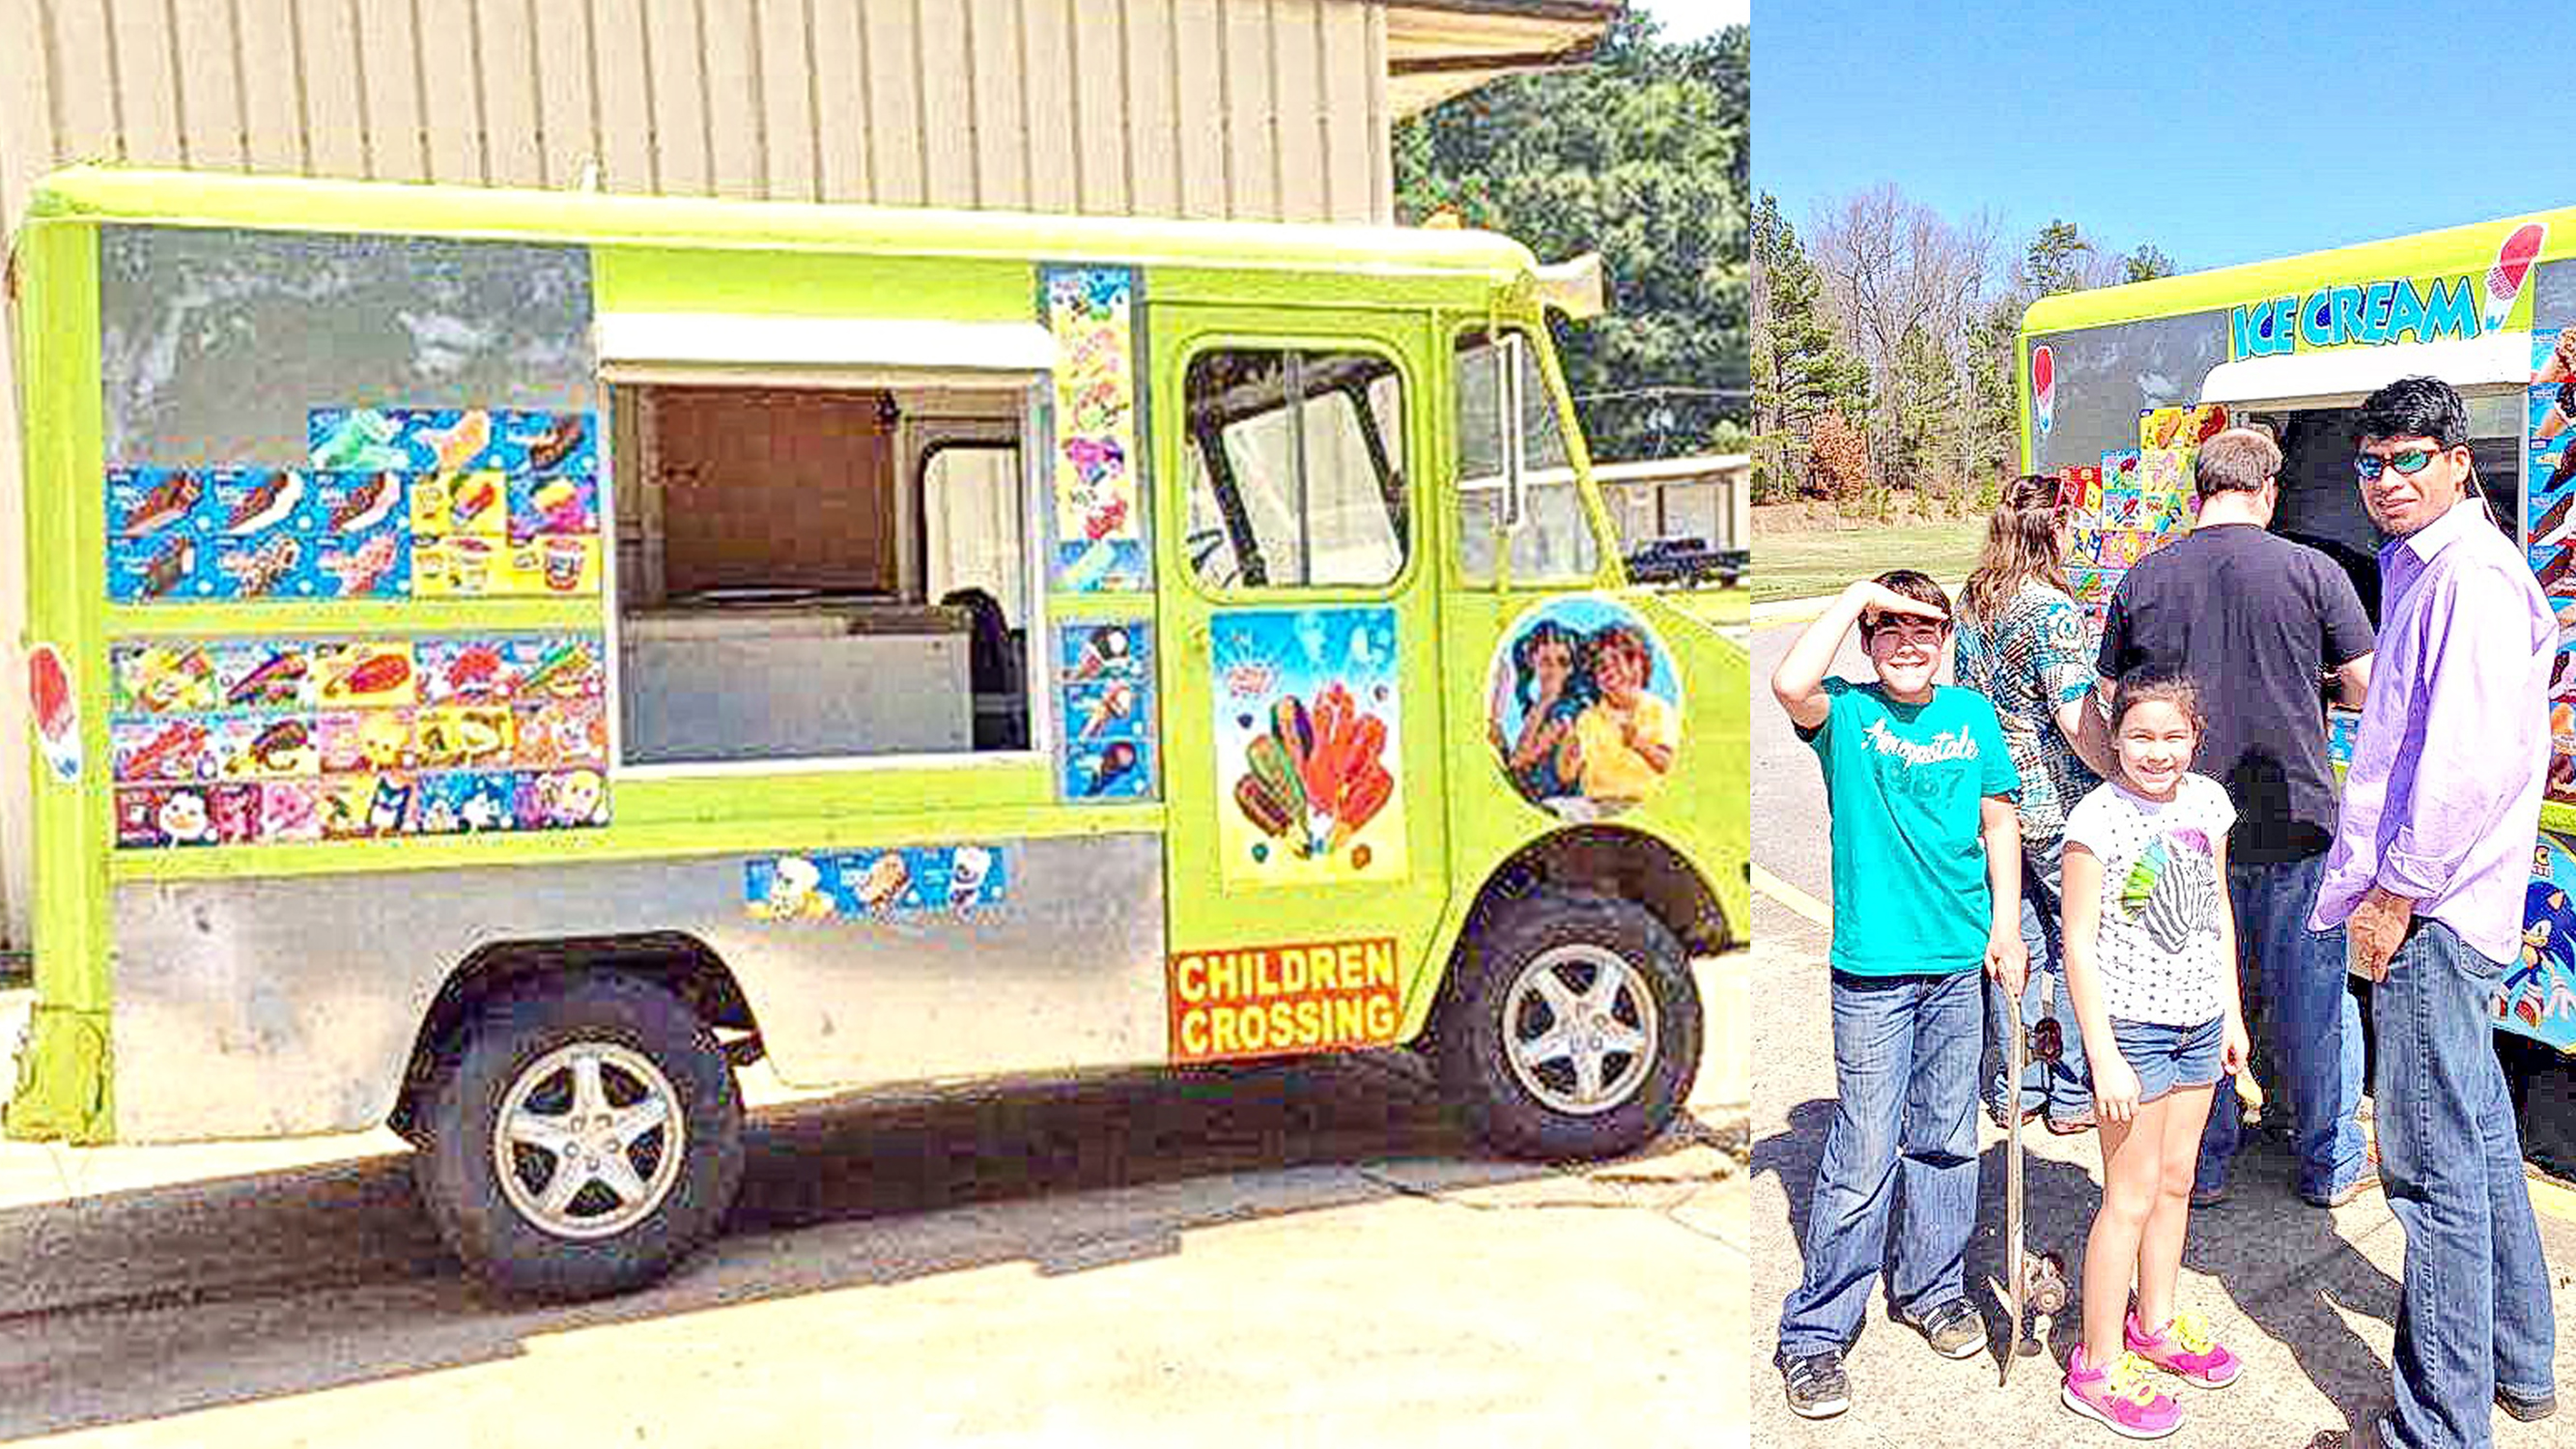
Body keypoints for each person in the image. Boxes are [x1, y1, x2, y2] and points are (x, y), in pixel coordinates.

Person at [2309, 376, 2559, 1449]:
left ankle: (2436, 1430)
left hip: (2431, 907)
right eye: (2370, 462)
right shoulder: (2439, 570)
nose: (2388, 480)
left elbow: (2461, 769)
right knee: (2481, 1132)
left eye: (2410, 457)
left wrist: (2393, 898)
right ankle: (2519, 1363)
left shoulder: (2467, 578)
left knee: (2429, 1170)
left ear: (2460, 459)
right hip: (2449, 902)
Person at [2091, 426, 2376, 1208]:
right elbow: (2365, 685)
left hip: (2179, 830)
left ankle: (2206, 1166)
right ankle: (2328, 1163)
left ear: (2198, 490)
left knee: (2198, 995)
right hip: (2296, 821)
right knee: (2313, 999)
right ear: (2269, 489)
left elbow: (2110, 699)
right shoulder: (2312, 571)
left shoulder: (2145, 577)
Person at [1770, 569, 2024, 1421]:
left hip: (1958, 961)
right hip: (1874, 968)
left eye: (1925, 633)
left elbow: (1998, 824)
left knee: (1948, 1139)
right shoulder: (1844, 713)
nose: (1908, 647)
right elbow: (1788, 683)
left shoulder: (1970, 716)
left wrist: (2006, 930)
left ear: (1946, 642)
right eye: (1889, 632)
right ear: (1869, 643)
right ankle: (1814, 1334)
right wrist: (1849, 596)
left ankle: (1931, 1287)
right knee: (1864, 1151)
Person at [2055, 670, 2248, 1437]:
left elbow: (2216, 909)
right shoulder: (2095, 819)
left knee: (2174, 1182)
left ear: (2195, 739)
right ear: (2115, 737)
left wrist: (2231, 1013)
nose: (2156, 752)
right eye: (2139, 735)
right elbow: (2074, 942)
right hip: (2131, 1031)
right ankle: (2095, 1365)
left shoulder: (2209, 802)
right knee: (2127, 1198)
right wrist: (2101, 1055)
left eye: (2172, 737)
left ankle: (2154, 1327)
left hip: (2199, 1023)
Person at [1956, 474, 2118, 1135]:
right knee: (2082, 942)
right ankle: (2076, 1091)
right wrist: (2123, 777)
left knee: (2014, 946)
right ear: (2052, 528)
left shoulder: (1974, 599)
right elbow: (2075, 712)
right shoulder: (2048, 607)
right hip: (2054, 802)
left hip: (1992, 805)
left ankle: (2015, 1086)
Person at [1567, 623, 1677, 805]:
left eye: (1616, 662)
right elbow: (1569, 773)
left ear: (1636, 667)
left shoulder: (1658, 710)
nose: (1609, 672)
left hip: (1641, 802)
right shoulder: (1588, 718)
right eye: (1600, 667)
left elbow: (1668, 764)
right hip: (1596, 805)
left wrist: (1638, 744)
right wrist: (1568, 750)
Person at [1493, 619, 1590, 803]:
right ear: (1532, 662)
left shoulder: (1566, 711)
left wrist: (1544, 701)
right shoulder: (1537, 709)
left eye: (1563, 662)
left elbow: (1519, 760)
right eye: (1545, 661)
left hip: (1558, 802)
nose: (1554, 670)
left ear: (1571, 668)